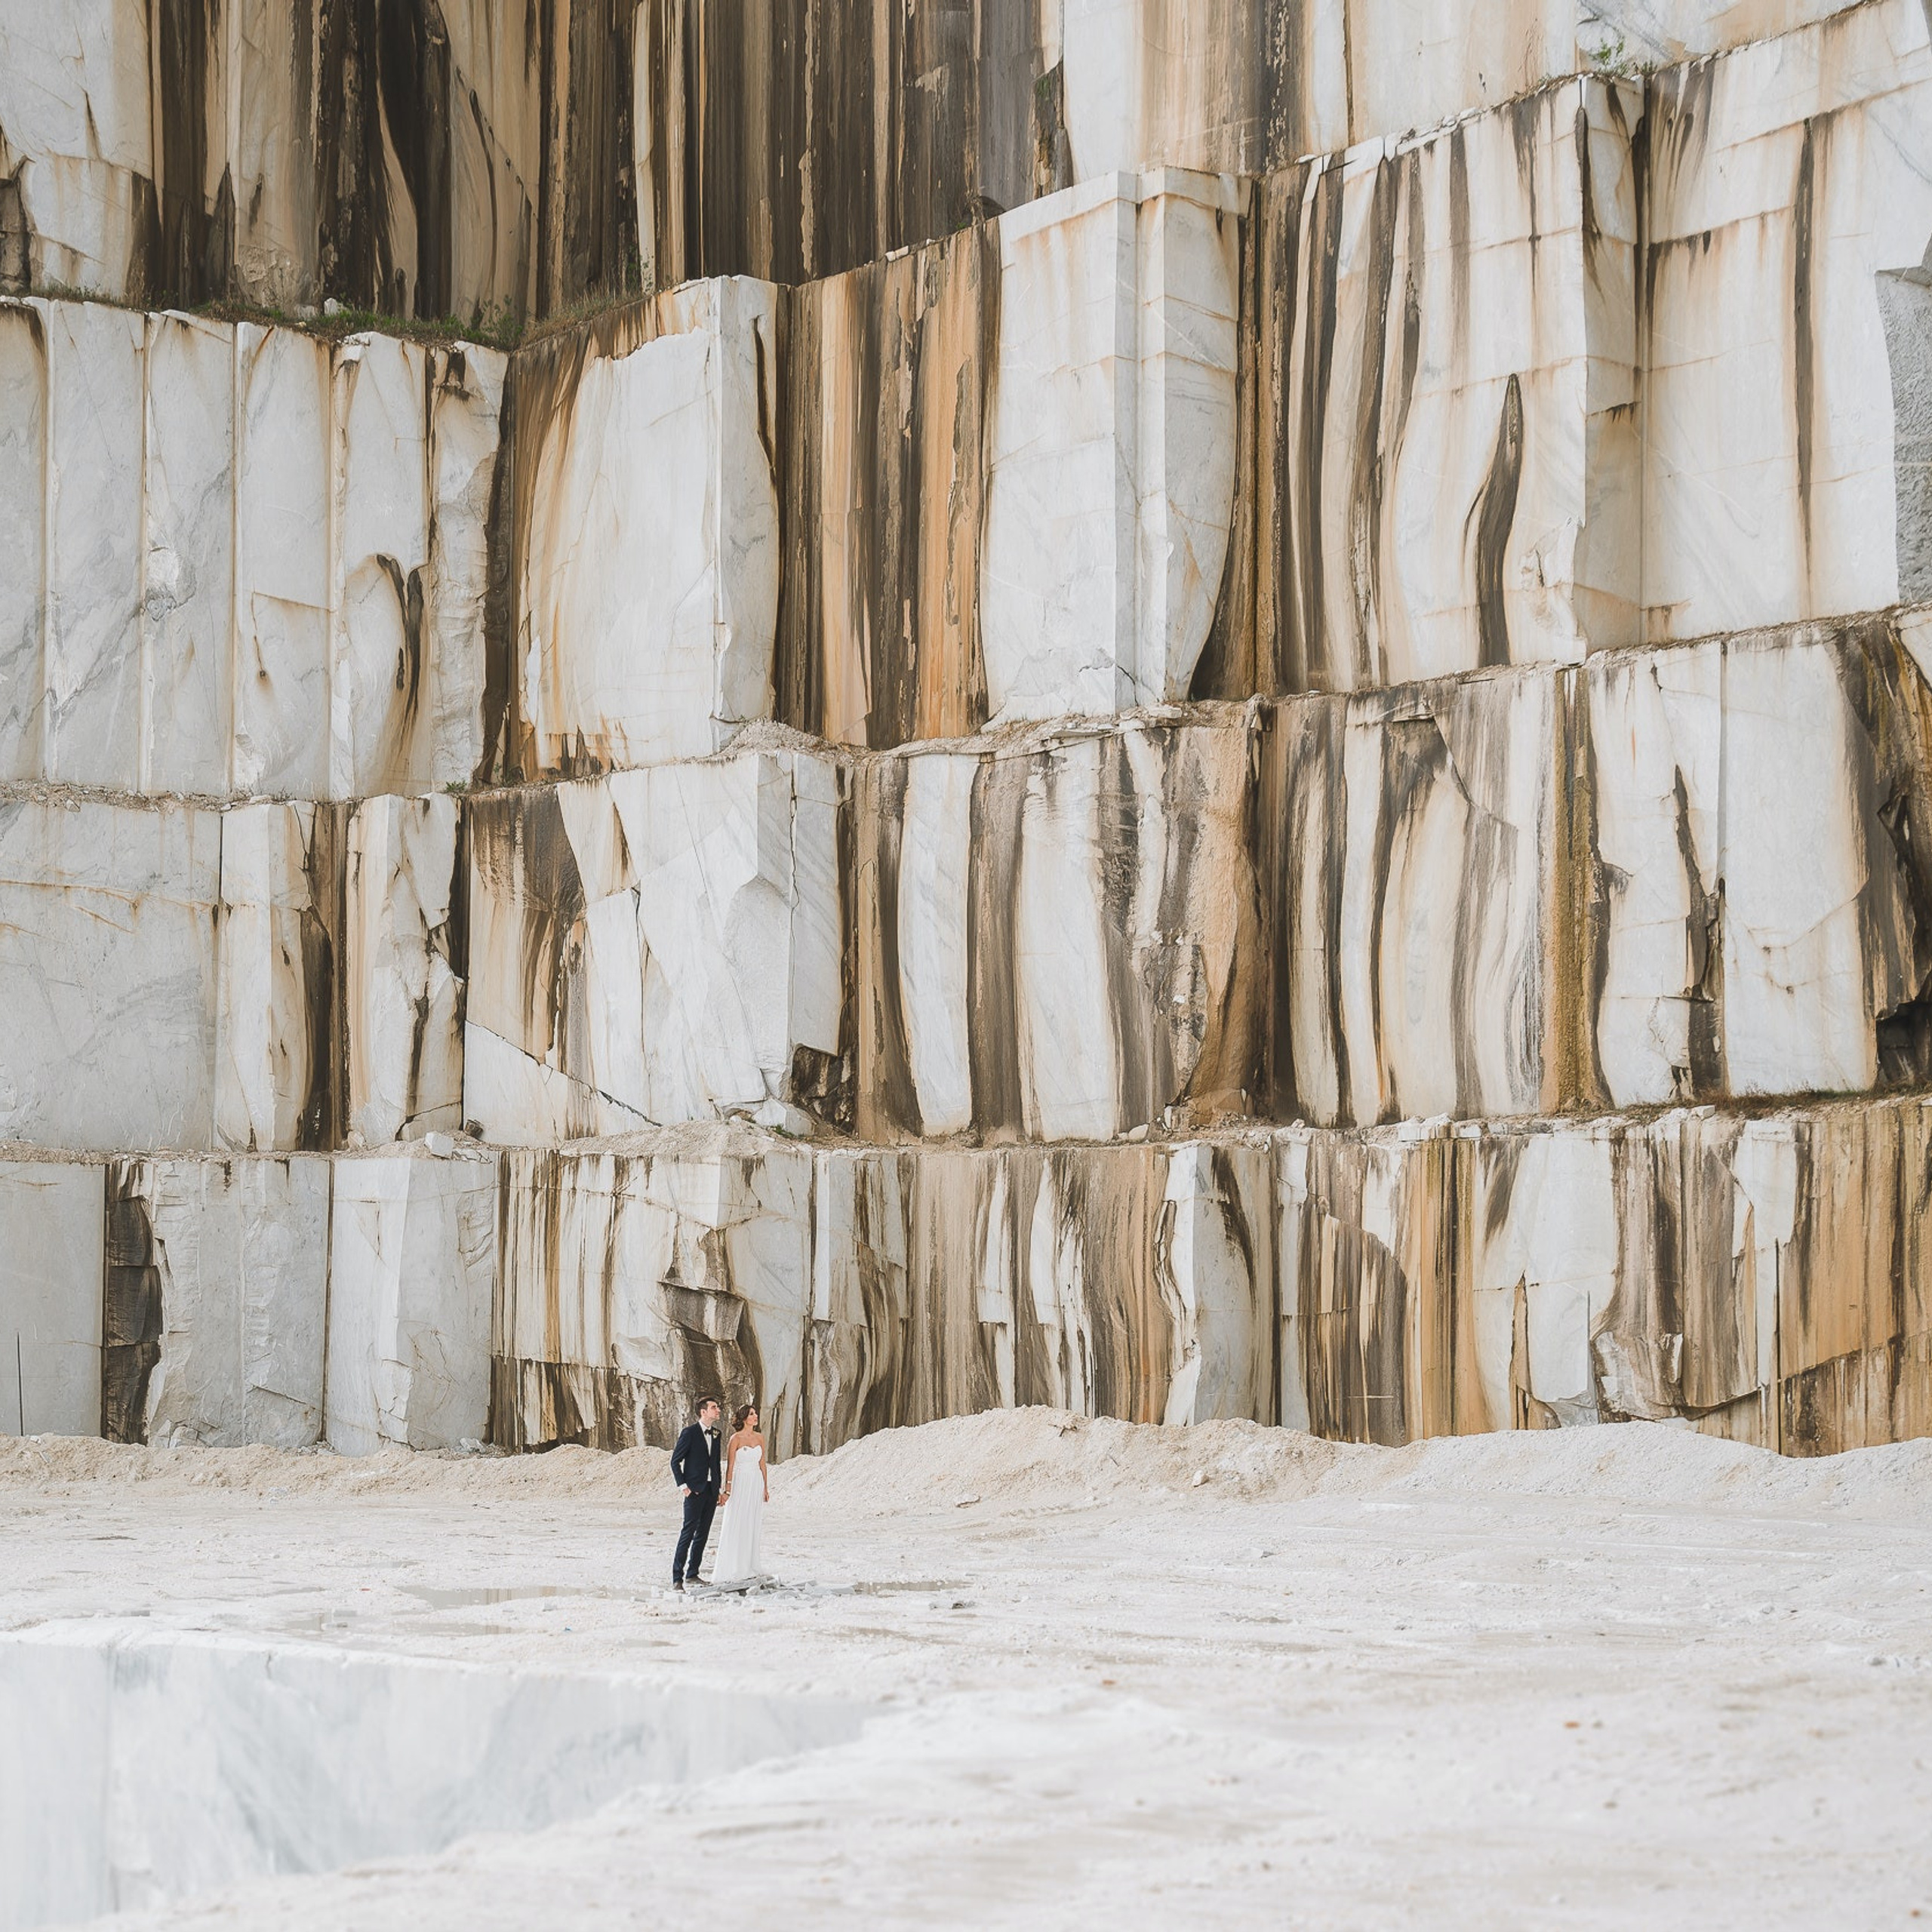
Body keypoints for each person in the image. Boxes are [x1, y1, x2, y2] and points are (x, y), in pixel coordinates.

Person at [709, 1403, 770, 1590]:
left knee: (752, 1521)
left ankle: (751, 1564)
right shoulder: (735, 1439)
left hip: (756, 1481)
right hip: (740, 1481)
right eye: (752, 1414)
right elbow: (730, 1466)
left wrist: (765, 1488)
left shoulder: (760, 1437)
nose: (755, 1416)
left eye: (755, 1413)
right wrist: (727, 1489)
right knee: (737, 1520)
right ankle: (734, 1566)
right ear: (744, 1418)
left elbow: (763, 1464)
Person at [669, 1397, 724, 1590]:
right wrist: (683, 1486)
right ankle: (678, 1578)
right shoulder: (689, 1433)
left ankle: (693, 1573)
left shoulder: (717, 1434)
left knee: (703, 1534)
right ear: (703, 1412)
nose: (718, 1410)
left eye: (717, 1407)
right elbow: (675, 1461)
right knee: (688, 1532)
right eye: (714, 1407)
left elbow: (716, 1463)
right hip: (694, 1491)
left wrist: (718, 1489)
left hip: (710, 1490)